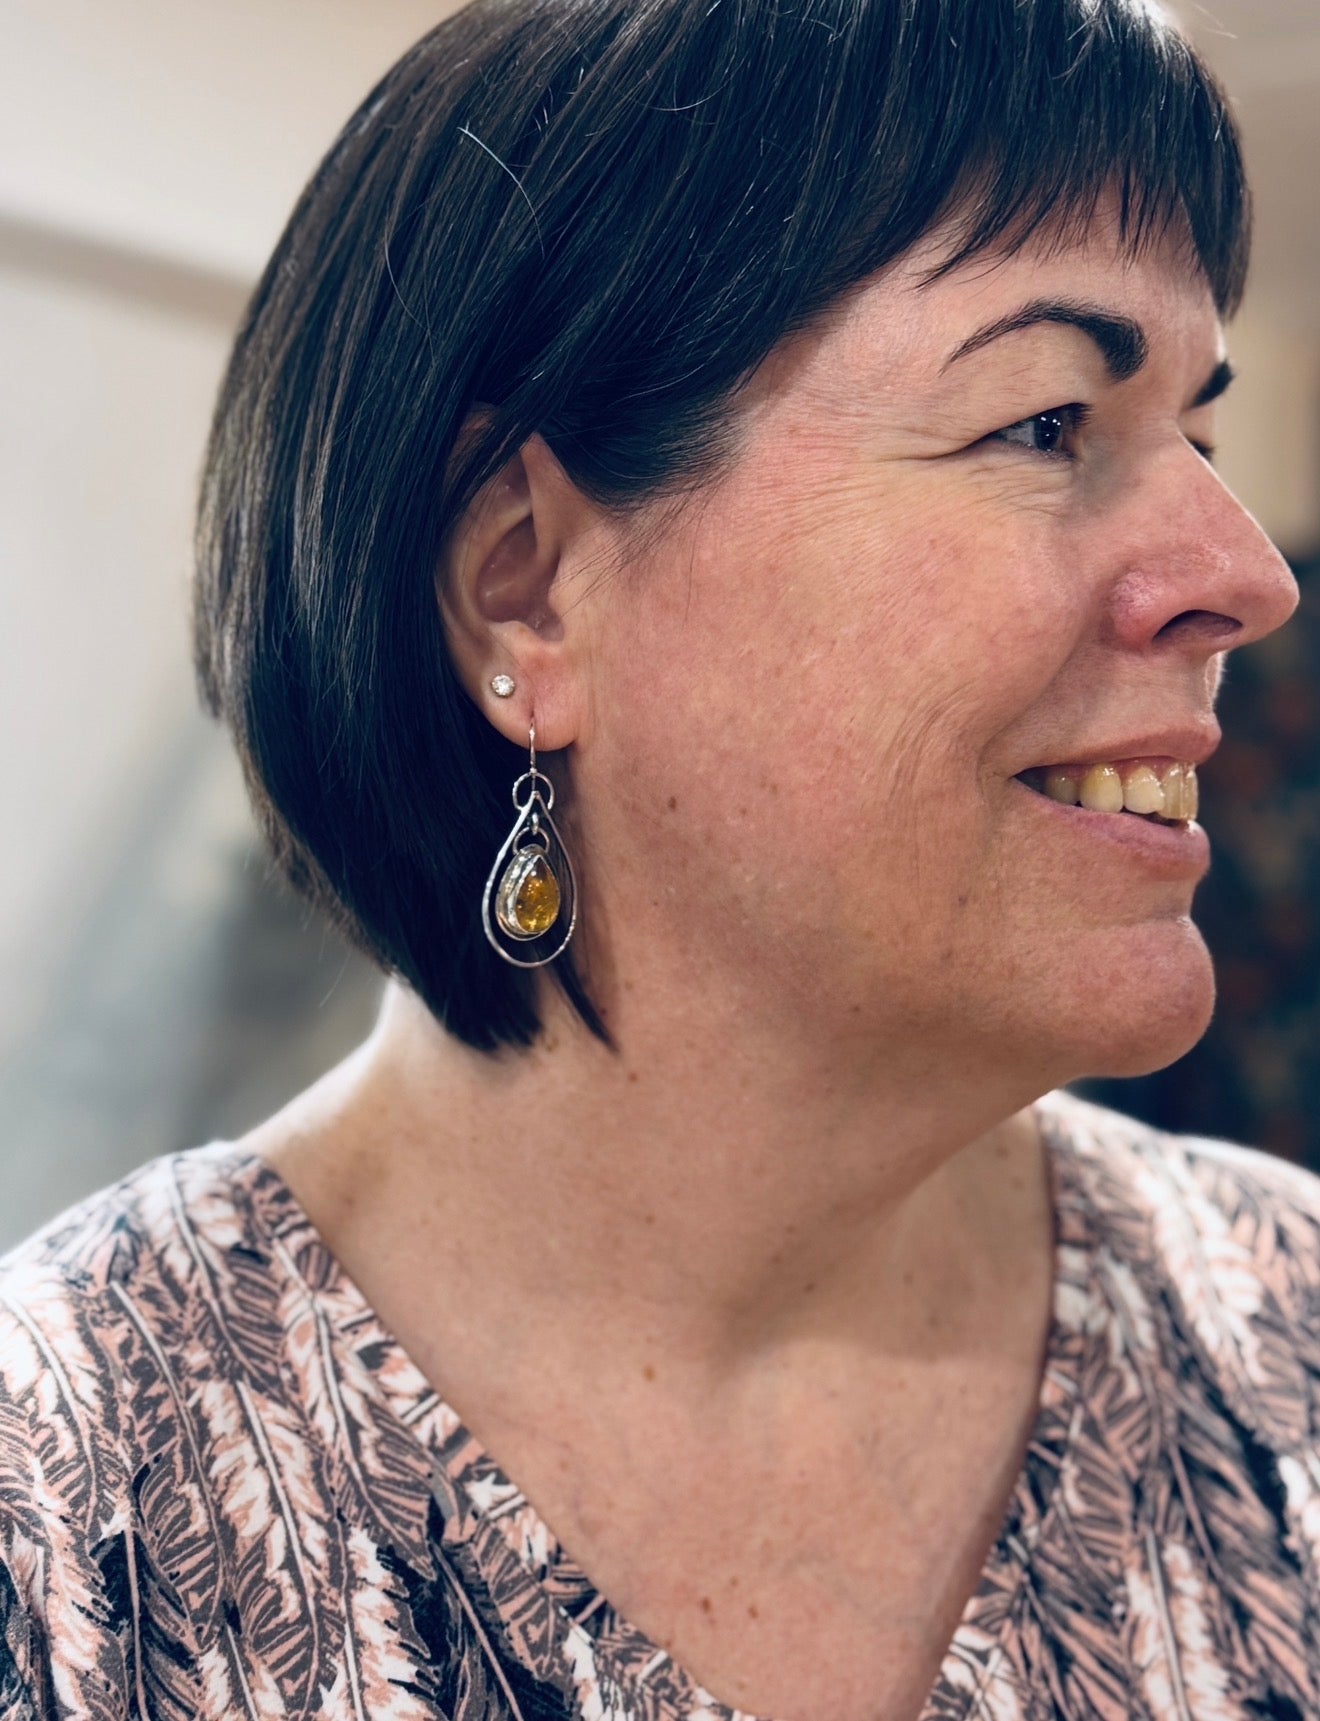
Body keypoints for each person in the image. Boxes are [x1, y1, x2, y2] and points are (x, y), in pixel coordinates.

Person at [1, 0, 1314, 1715]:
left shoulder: (1288, 1348)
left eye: (1199, 435)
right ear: (525, 587)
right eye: (1047, 421)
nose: (1248, 575)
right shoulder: (66, 1511)